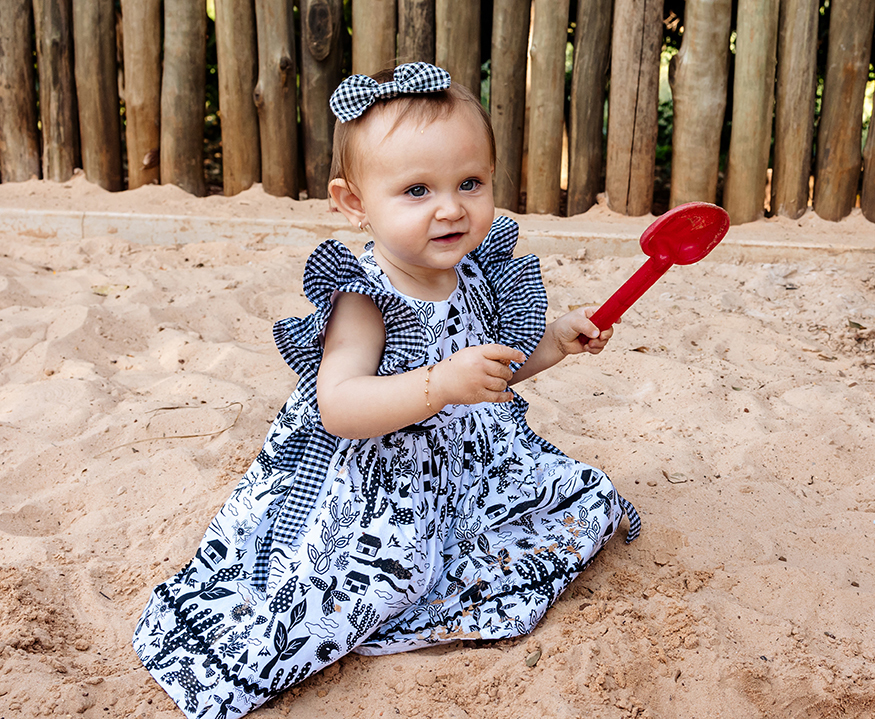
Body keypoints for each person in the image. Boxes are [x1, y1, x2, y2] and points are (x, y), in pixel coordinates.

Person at [132, 62, 639, 719]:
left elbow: (493, 369)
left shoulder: (471, 273)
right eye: (416, 189)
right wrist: (437, 382)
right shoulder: (366, 297)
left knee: (583, 497)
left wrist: (555, 341)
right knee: (383, 579)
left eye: (470, 182)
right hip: (374, 485)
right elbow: (338, 406)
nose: (451, 207)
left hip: (461, 469)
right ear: (353, 203)